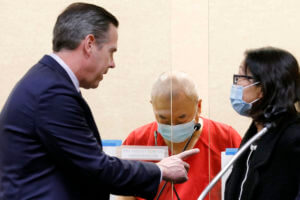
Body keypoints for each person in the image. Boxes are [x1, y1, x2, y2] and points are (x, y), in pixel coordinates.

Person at [0, 3, 199, 200]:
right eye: (111, 52)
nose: (112, 63)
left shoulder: (45, 82)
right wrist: (160, 170)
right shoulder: (52, 93)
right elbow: (95, 167)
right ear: (89, 44)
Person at [118, 71, 242, 200]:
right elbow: (124, 194)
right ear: (153, 107)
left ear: (198, 107)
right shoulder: (137, 140)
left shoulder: (226, 138)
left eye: (181, 118)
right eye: (163, 118)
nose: (172, 126)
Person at [225, 47, 300, 200]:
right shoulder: (257, 131)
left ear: (264, 88)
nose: (237, 83)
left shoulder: (294, 137)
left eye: (242, 77)